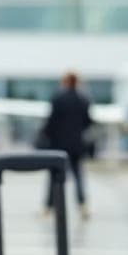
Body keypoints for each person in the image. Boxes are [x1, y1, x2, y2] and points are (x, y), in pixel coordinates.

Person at [39, 71, 93, 219]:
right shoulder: (83, 99)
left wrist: (46, 137)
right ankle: (83, 207)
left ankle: (48, 208)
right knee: (78, 177)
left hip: (58, 145)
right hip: (76, 145)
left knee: (54, 178)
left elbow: (50, 123)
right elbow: (88, 122)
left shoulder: (57, 98)